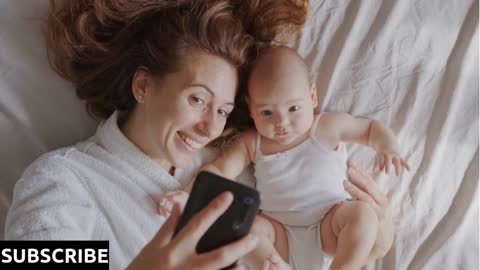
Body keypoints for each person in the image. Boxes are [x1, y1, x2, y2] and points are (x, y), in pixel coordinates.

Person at [4, 1, 310, 269]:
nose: (210, 128)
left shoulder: (230, 171)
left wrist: (348, 211)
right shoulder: (65, 181)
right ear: (143, 86)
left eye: (222, 111)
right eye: (197, 100)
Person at [158, 46, 407, 270]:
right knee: (249, 231)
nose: (281, 123)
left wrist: (387, 146)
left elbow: (370, 129)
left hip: (329, 222)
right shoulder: (252, 142)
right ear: (250, 107)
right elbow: (219, 171)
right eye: (266, 112)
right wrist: (187, 195)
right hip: (279, 234)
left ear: (312, 96)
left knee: (363, 215)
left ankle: (343, 267)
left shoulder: (327, 126)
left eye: (293, 108)